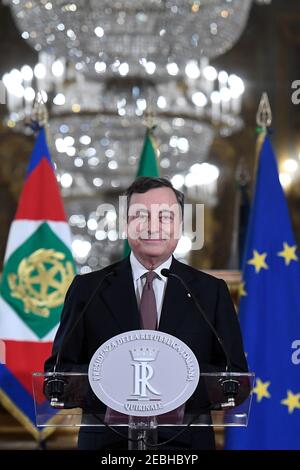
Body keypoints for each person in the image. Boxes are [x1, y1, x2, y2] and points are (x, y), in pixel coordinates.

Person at [45, 176, 248, 450]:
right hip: (107, 447)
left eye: (165, 216)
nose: (153, 226)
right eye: (140, 215)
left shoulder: (211, 292)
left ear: (179, 225)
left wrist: (173, 383)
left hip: (185, 448)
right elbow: (57, 377)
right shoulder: (88, 289)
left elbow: (234, 379)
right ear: (125, 224)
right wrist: (118, 384)